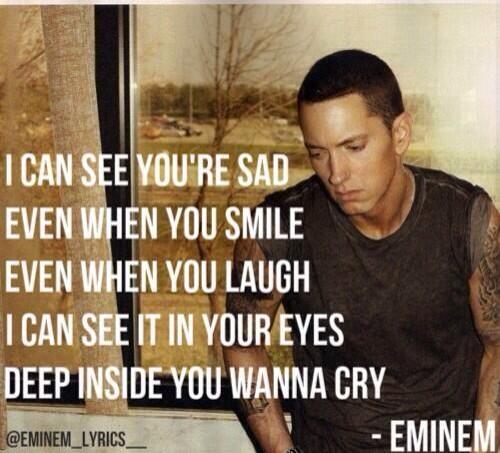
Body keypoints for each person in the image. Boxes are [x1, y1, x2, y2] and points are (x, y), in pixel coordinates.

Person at [223, 49, 499, 453]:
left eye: (353, 147)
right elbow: (241, 343)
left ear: (400, 134)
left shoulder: (467, 219)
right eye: (318, 153)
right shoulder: (277, 226)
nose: (336, 174)